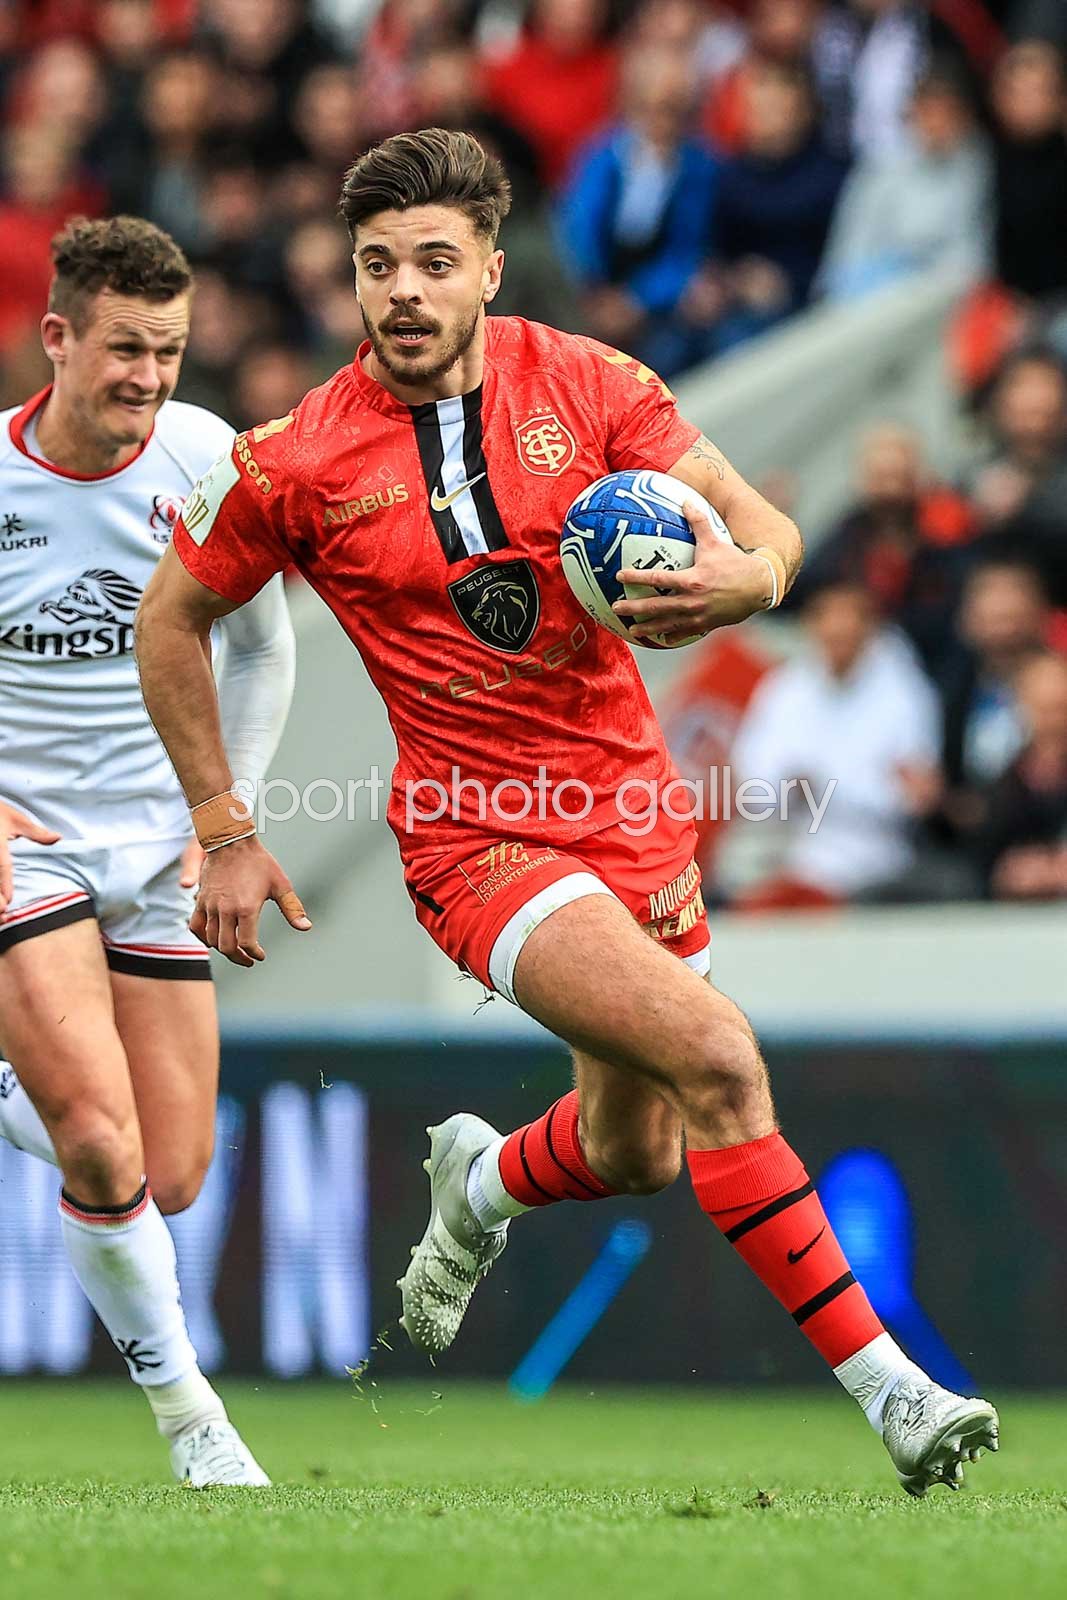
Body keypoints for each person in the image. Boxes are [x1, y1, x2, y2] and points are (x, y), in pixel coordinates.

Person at [136, 128, 999, 1496]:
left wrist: (749, 583)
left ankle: (473, 1187)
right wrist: (227, 826)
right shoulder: (295, 460)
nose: (402, 292)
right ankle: (893, 1396)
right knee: (718, 1058)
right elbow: (169, 620)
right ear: (350, 285)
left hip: (631, 815)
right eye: (375, 268)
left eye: (432, 261)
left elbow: (756, 523)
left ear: (489, 265)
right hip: (475, 837)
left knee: (636, 1146)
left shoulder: (591, 383)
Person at [0, 216, 296, 1486]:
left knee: (167, 1173)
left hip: (157, 850)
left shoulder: (202, 453)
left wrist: (224, 826)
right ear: (57, 338)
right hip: (29, 847)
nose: (148, 378)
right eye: (125, 349)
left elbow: (264, 647)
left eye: (168, 351)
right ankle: (196, 1423)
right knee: (100, 1142)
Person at [726, 581, 944, 905]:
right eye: (829, 630)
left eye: (848, 632)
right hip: (788, 849)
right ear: (811, 628)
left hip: (875, 859)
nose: (837, 641)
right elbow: (751, 785)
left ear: (869, 630)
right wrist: (791, 789)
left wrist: (821, 788)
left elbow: (909, 800)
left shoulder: (906, 695)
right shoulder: (784, 689)